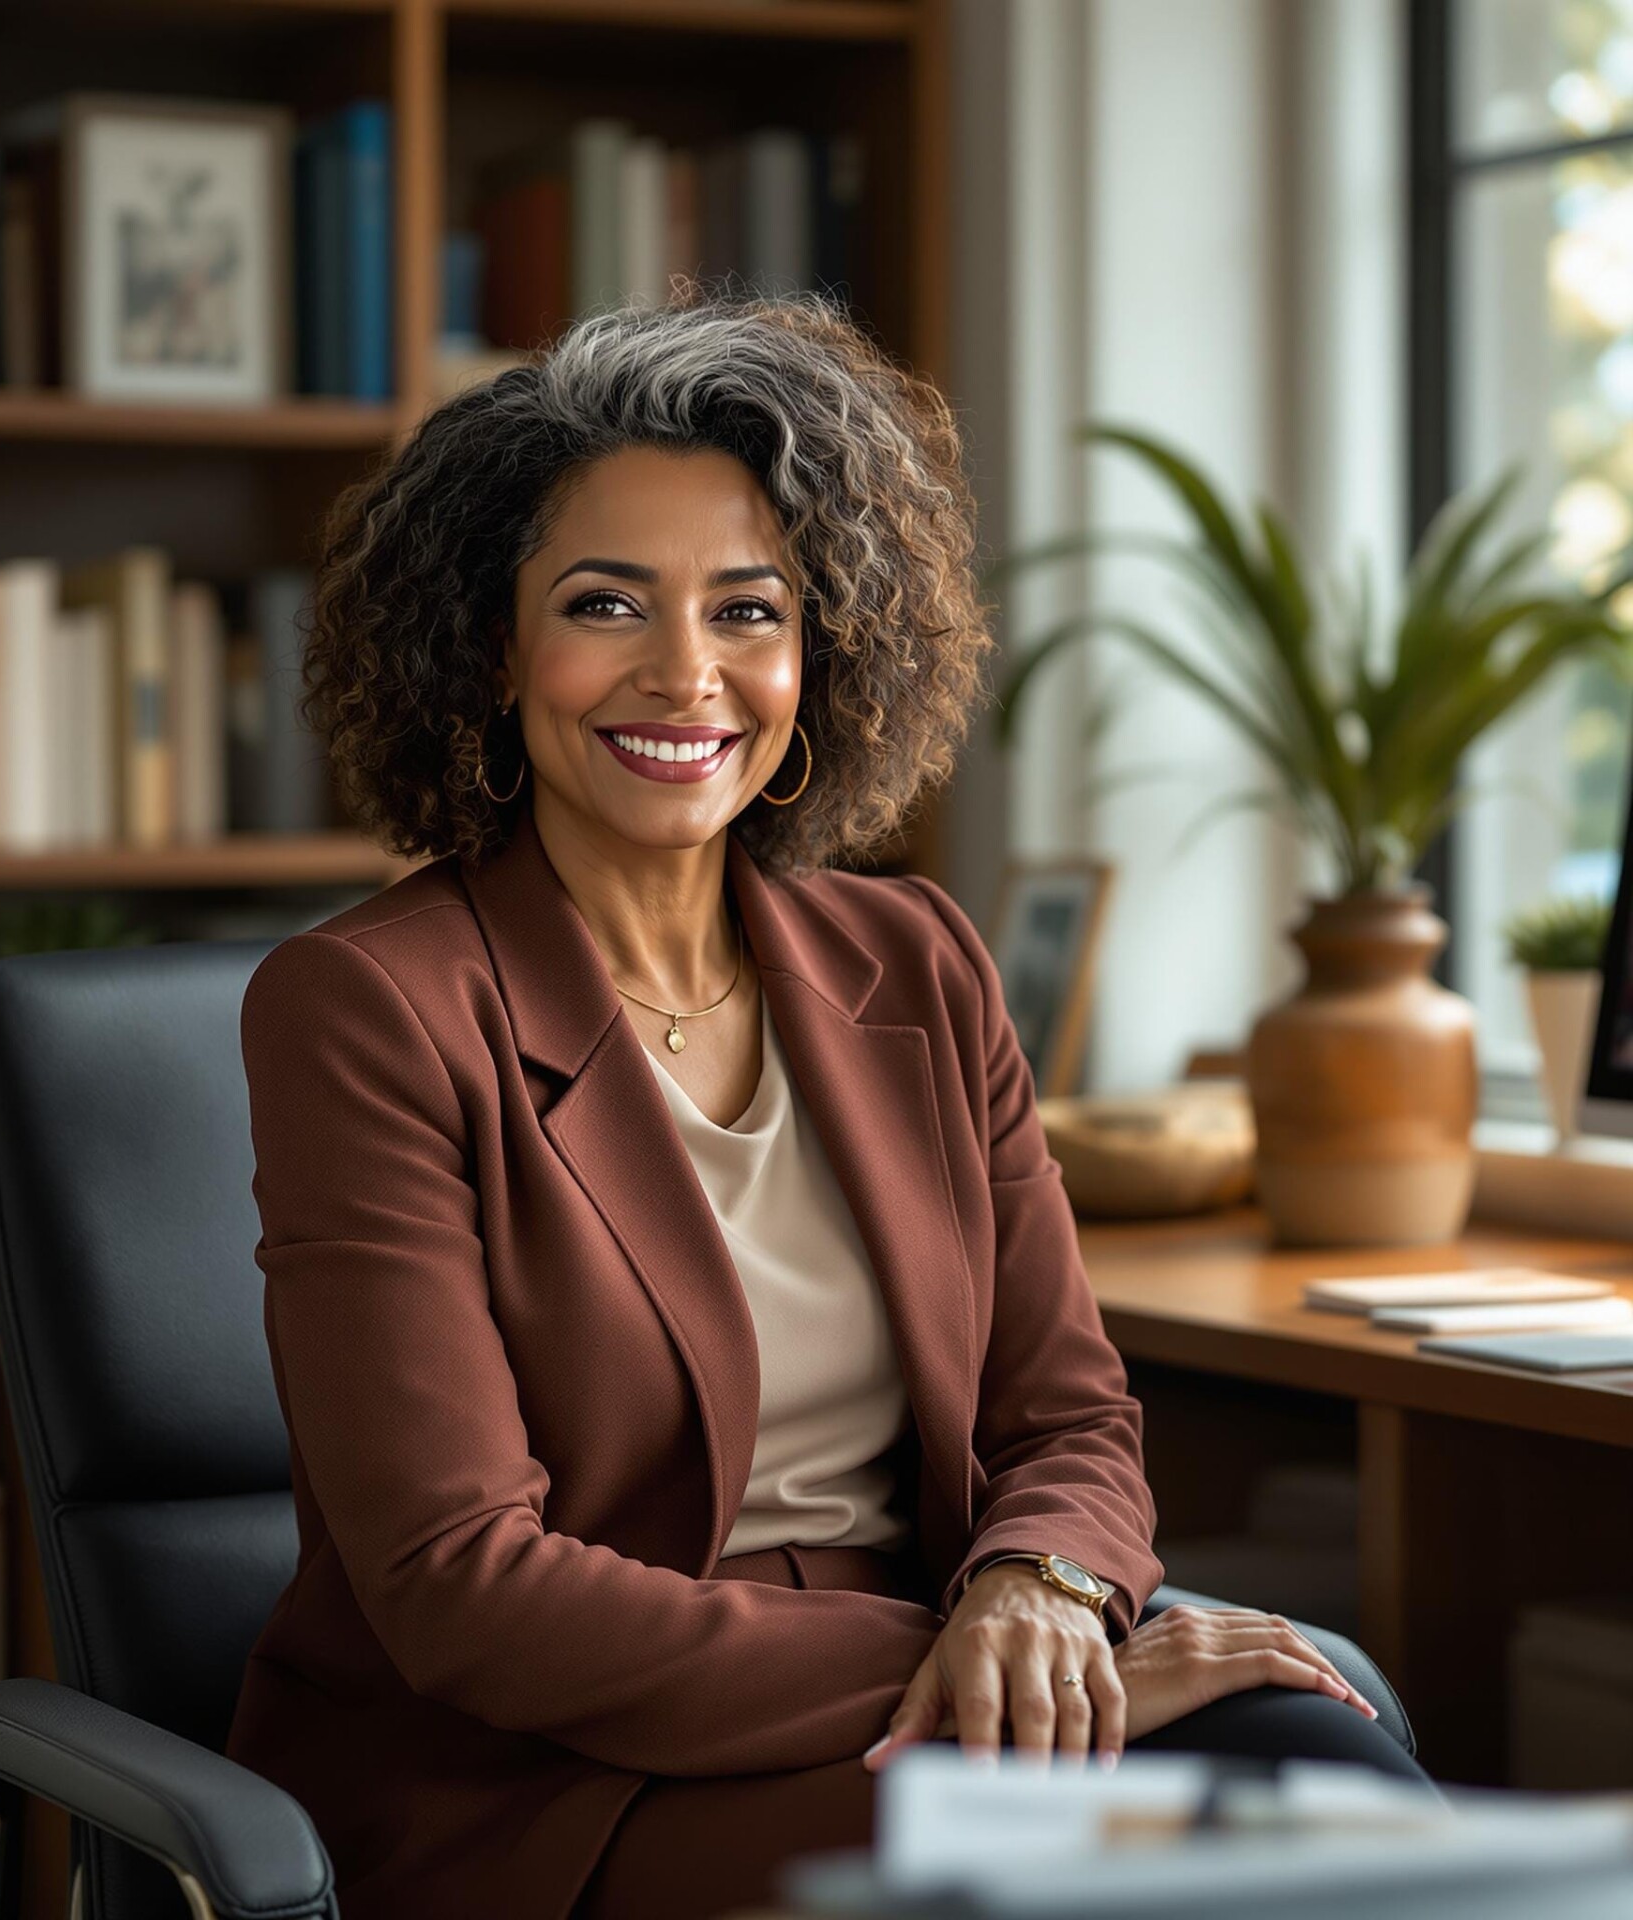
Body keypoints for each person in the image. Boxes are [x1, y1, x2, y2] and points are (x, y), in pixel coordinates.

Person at [224, 283, 1427, 1920]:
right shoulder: (368, 1009)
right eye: (604, 605)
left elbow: (1066, 1415)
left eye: (747, 610)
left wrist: (1043, 1587)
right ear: (489, 646)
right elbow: (464, 1590)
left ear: (820, 650)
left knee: (1331, 1761)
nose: (683, 675)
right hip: (560, 1776)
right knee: (1223, 1861)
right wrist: (972, 1663)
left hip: (946, 1693)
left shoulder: (915, 960)